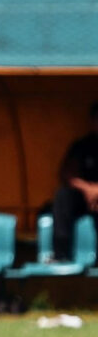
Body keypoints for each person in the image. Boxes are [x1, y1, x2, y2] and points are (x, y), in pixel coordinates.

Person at [51, 101, 98, 261]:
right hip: (83, 199)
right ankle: (61, 255)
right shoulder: (82, 145)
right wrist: (88, 190)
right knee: (63, 195)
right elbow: (67, 174)